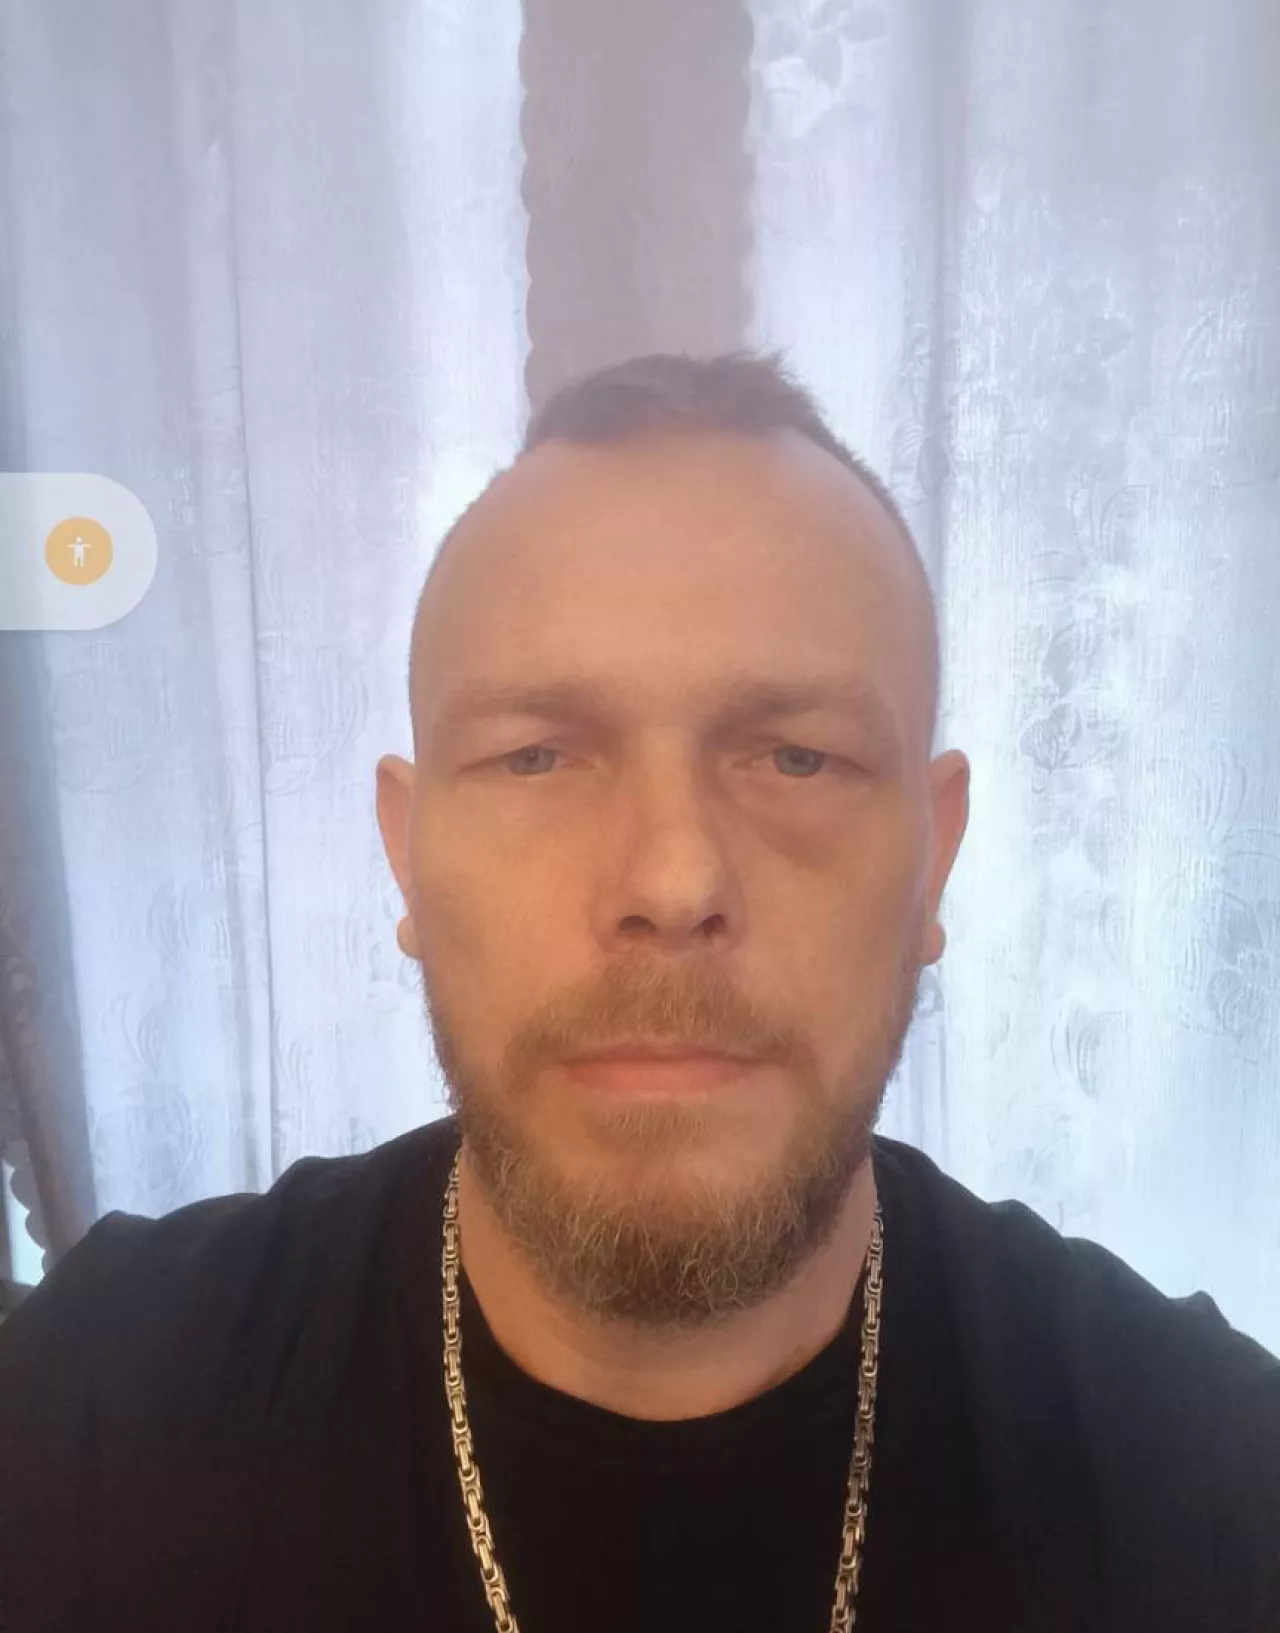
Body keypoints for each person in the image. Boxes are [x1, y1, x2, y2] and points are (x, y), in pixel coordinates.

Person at [1, 353, 1277, 1633]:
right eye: (535, 757)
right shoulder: (91, 1411)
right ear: (406, 855)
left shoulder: (1208, 1487)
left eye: (796, 756)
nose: (672, 882)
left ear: (932, 857)